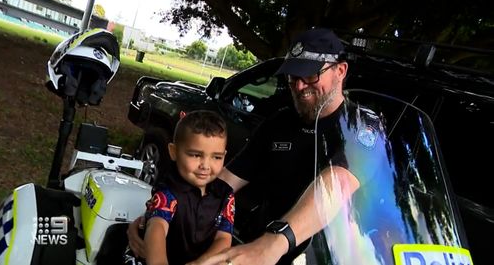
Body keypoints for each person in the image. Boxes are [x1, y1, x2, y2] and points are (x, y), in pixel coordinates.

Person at [127, 28, 362, 265]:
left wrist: (275, 242)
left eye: (310, 75)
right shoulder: (280, 122)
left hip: (323, 256)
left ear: (340, 70)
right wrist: (154, 218)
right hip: (256, 250)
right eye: (293, 77)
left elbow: (338, 183)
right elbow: (222, 182)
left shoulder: (360, 127)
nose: (300, 86)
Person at [124, 110, 235, 265]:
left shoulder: (225, 195)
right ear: (173, 152)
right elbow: (157, 228)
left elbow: (223, 238)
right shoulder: (168, 191)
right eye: (195, 155)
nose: (205, 165)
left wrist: (199, 264)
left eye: (216, 157)